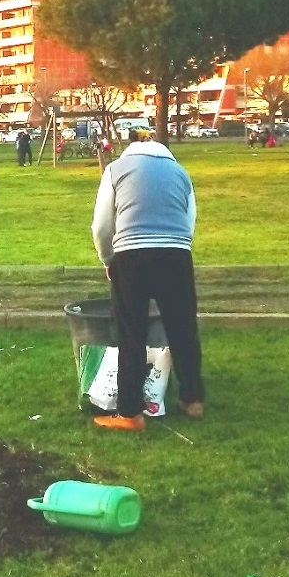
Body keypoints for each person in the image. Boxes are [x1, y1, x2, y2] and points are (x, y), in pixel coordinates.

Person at [90, 133, 205, 431]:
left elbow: (102, 225)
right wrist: (178, 246)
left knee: (131, 331)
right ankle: (192, 400)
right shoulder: (181, 172)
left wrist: (108, 260)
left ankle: (130, 413)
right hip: (177, 255)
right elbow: (189, 218)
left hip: (132, 256)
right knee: (183, 328)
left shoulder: (116, 169)